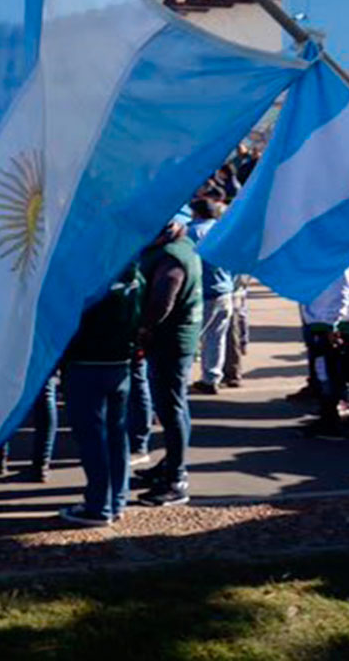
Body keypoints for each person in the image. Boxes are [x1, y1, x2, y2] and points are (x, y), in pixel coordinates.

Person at [58, 261, 146, 526]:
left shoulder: (89, 280)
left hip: (85, 364)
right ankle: (116, 501)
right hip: (119, 364)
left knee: (93, 438)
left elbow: (67, 319)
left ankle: (99, 506)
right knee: (116, 435)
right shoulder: (136, 277)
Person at [132, 216, 203, 507]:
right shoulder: (183, 245)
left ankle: (175, 479)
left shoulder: (172, 257)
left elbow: (163, 299)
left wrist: (142, 330)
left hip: (170, 342)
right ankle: (173, 463)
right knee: (176, 405)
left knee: (171, 409)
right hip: (175, 339)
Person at [298, 254, 349, 440]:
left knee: (328, 372)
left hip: (335, 323)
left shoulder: (340, 256)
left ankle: (330, 421)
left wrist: (330, 324)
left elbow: (340, 292)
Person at [186, 198, 236, 395]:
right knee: (217, 338)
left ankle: (183, 380)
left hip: (203, 292)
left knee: (191, 338)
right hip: (225, 290)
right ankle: (212, 378)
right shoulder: (224, 229)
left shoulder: (192, 232)